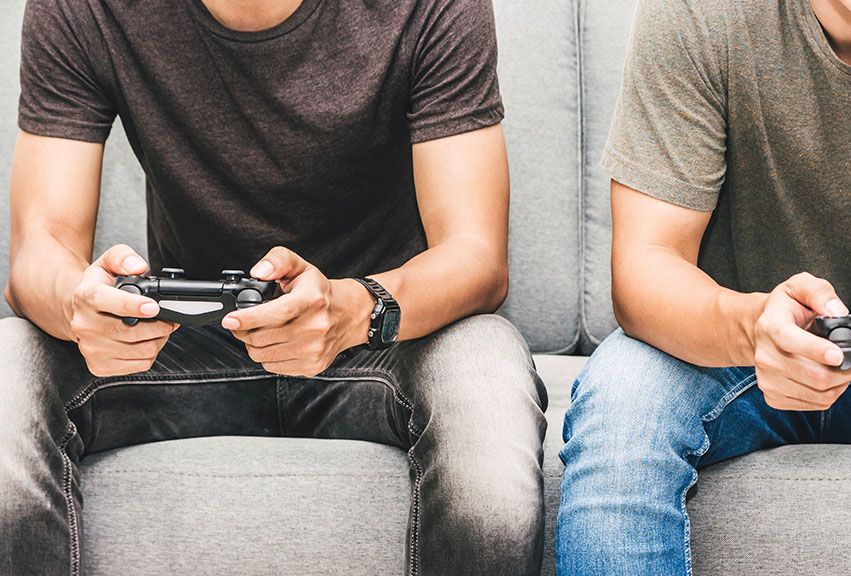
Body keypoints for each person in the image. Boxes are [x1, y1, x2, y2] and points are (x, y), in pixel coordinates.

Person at [0, 0, 548, 574]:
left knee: (485, 365)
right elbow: (41, 249)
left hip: (378, 337)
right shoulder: (84, 9)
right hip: (179, 342)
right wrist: (79, 305)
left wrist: (350, 309)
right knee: (12, 359)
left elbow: (477, 256)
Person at [557, 0, 851, 573]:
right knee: (623, 401)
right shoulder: (697, 13)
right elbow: (644, 268)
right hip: (725, 341)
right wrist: (754, 330)